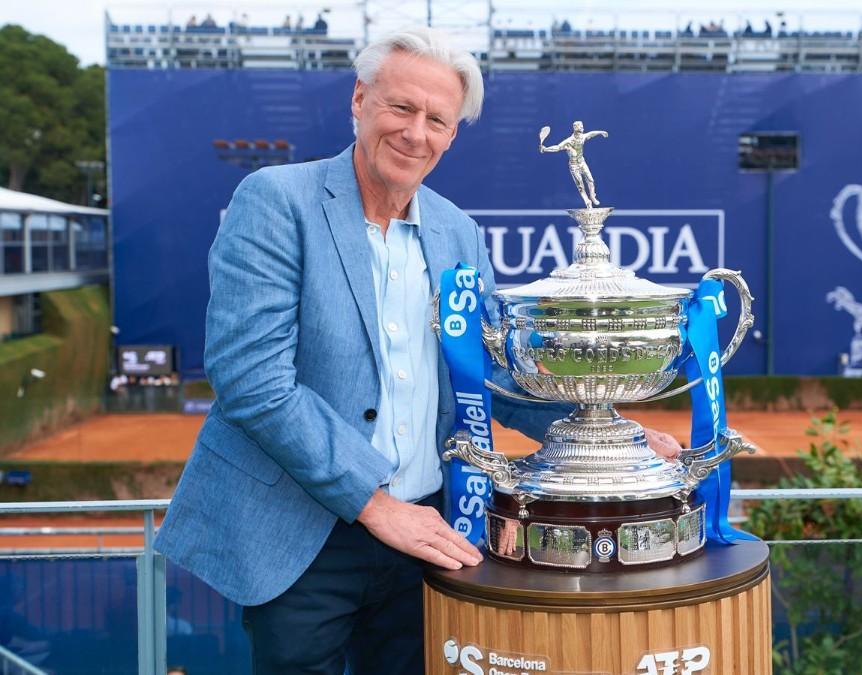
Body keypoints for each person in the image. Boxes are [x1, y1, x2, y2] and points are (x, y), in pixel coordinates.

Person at [153, 27, 681, 674]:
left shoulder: (457, 232)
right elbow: (253, 381)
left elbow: (485, 375)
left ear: (453, 134)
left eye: (437, 119)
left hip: (426, 530)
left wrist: (614, 434)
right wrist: (375, 504)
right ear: (360, 99)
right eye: (401, 108)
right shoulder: (275, 201)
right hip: (303, 533)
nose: (415, 132)